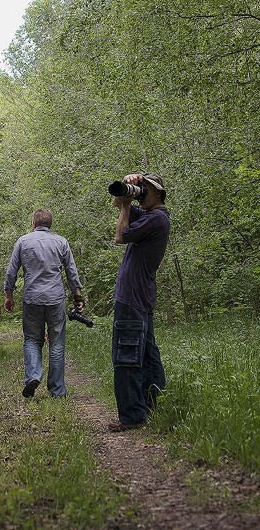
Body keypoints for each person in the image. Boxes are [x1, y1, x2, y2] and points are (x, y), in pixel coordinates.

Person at [110, 172, 170, 431]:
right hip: (140, 297)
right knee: (146, 355)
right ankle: (149, 407)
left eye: (146, 188)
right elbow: (117, 200)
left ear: (158, 193)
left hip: (132, 297)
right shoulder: (149, 216)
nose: (141, 192)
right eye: (141, 188)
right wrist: (128, 187)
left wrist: (126, 205)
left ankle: (132, 416)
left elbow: (120, 236)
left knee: (127, 356)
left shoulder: (156, 218)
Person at [4, 208, 85, 399]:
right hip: (55, 298)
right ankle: (57, 391)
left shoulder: (23, 241)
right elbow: (71, 272)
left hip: (32, 298)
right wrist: (78, 297)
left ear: (34, 223)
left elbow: (11, 271)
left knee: (32, 339)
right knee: (57, 344)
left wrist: (9, 295)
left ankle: (33, 376)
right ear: (50, 224)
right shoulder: (61, 242)